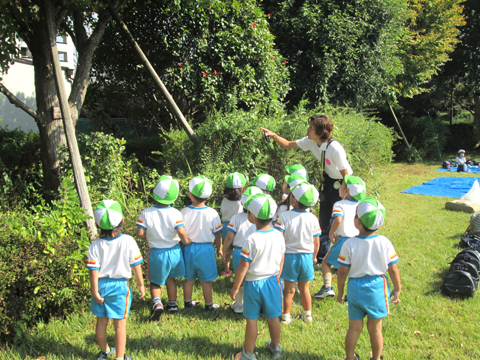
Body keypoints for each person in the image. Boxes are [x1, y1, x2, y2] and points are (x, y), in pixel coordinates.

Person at [260, 115, 353, 262]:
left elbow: (346, 174)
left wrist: (343, 193)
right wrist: (273, 135)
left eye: (311, 127)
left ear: (320, 132)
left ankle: (344, 258)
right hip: (328, 180)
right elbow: (288, 144)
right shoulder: (310, 142)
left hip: (342, 183)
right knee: (324, 218)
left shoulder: (335, 148)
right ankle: (321, 256)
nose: (308, 130)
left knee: (339, 220)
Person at [336, 198, 401, 360]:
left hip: (355, 289)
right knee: (376, 329)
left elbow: (342, 272)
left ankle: (349, 357)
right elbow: (393, 269)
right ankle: (376, 358)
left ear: (357, 221)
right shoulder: (384, 242)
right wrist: (398, 288)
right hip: (377, 289)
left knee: (354, 328)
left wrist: (340, 292)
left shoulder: (349, 244)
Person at [87, 200, 145, 360]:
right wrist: (141, 284)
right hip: (121, 287)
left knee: (101, 322)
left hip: (100, 285)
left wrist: (94, 291)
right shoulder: (128, 241)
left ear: (98, 225)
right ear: (122, 221)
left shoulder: (94, 246)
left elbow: (93, 271)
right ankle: (120, 357)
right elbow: (136, 265)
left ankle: (104, 351)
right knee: (120, 325)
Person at [230, 193, 285, 360]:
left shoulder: (251, 239)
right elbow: (282, 258)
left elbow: (243, 266)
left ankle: (248, 354)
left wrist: (236, 286)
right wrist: (277, 274)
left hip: (253, 284)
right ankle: (275, 348)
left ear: (251, 216)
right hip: (273, 281)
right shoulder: (279, 236)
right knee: (273, 317)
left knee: (252, 319)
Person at [136, 175, 190, 320]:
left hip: (157, 253)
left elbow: (140, 233)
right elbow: (181, 230)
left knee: (155, 281)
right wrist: (186, 241)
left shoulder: (146, 213)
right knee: (171, 279)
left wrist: (147, 236)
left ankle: (157, 303)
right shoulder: (175, 213)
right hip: (174, 251)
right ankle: (173, 305)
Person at [275, 182, 321, 324]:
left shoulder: (284, 216)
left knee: (289, 289)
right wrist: (314, 257)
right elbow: (316, 242)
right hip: (307, 257)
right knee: (305, 288)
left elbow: (278, 237)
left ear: (293, 199)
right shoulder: (313, 218)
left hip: (289, 257)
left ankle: (286, 317)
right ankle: (308, 316)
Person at [314, 175, 366, 299]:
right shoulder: (360, 205)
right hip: (358, 240)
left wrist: (331, 233)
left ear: (346, 191)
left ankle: (327, 287)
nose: (339, 187)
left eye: (341, 185)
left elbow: (337, 220)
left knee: (326, 263)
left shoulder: (339, 204)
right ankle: (350, 295)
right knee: (353, 268)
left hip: (343, 240)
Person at [181, 175, 223, 310]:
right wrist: (219, 248)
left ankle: (187, 303)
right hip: (206, 249)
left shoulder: (183, 212)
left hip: (188, 248)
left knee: (189, 279)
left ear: (190, 194)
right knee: (206, 280)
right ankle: (209, 305)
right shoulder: (212, 213)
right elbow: (218, 234)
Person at [222, 186, 263, 313]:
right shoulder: (261, 220)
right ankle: (254, 303)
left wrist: (224, 250)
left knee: (240, 279)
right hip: (257, 252)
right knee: (253, 278)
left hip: (239, 252)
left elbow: (229, 236)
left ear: (242, 202)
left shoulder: (236, 218)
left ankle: (239, 304)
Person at [220, 172, 247, 277]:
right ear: (242, 188)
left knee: (228, 248)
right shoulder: (242, 202)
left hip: (227, 226)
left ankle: (226, 269)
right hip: (240, 226)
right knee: (240, 247)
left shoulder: (224, 200)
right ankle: (239, 268)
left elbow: (222, 211)